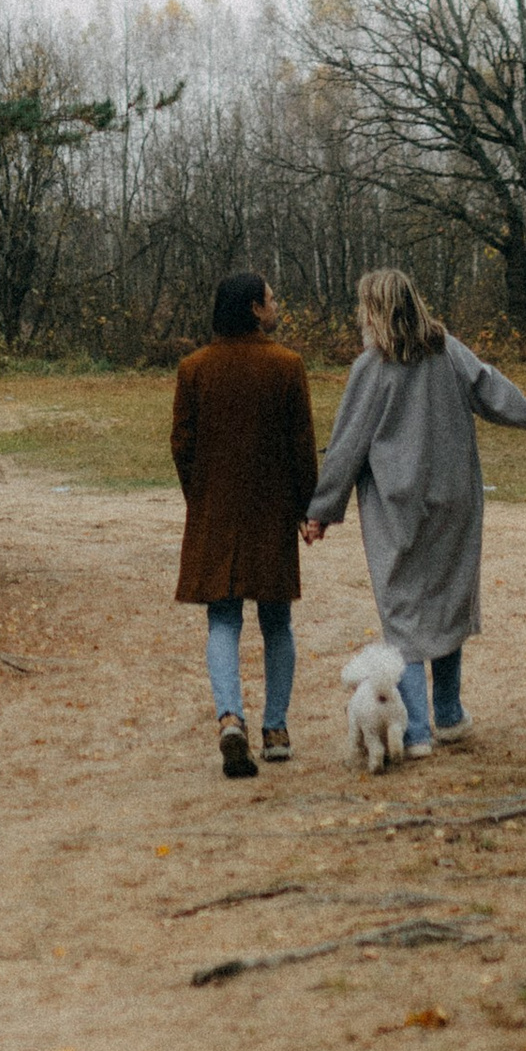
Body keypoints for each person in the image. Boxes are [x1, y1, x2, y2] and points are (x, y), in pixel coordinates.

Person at [306, 266, 526, 752]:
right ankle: (451, 714)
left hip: (398, 509)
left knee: (404, 616)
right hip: (454, 501)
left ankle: (416, 731)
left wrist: (321, 510)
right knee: (447, 603)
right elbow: (501, 397)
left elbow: (347, 444)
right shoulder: (449, 351)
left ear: (374, 311)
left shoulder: (371, 369)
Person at [170, 271, 321, 779]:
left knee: (223, 620)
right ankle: (275, 729)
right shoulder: (286, 366)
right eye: (272, 299)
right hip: (271, 510)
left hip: (216, 510)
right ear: (256, 308)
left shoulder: (194, 369)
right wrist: (307, 508)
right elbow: (301, 445)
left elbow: (181, 444)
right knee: (277, 621)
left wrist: (203, 496)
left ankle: (230, 716)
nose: (277, 305)